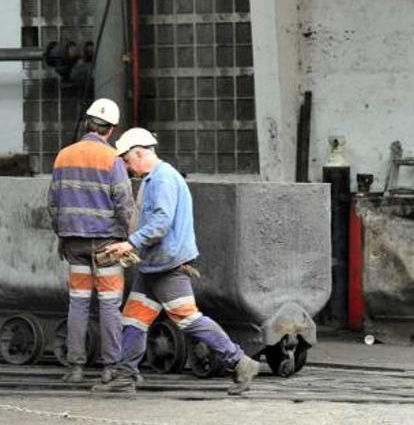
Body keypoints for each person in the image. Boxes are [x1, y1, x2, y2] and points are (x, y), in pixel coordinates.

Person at [91, 127, 260, 395]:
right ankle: (125, 376)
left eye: (126, 160)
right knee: (133, 320)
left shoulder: (162, 180)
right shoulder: (152, 179)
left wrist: (131, 243)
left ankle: (240, 362)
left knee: (189, 320)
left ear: (139, 153)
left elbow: (161, 223)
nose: (126, 166)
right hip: (153, 267)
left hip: (167, 269)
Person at [48, 98, 135, 384]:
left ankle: (75, 368)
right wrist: (128, 237)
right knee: (109, 305)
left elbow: (53, 203)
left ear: (87, 123)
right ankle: (110, 368)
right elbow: (124, 203)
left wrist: (64, 233)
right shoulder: (112, 160)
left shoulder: (63, 156)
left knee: (78, 303)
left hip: (74, 244)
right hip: (108, 244)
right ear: (111, 129)